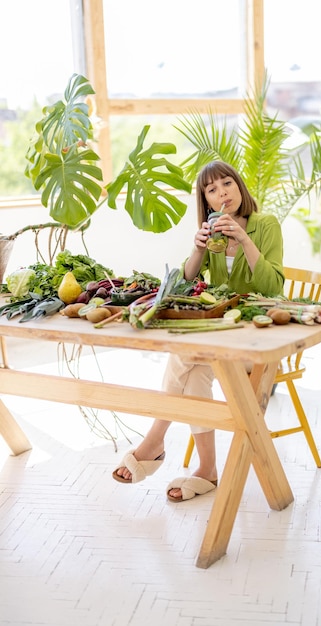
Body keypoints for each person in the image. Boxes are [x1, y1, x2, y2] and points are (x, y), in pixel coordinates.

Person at [112, 161, 285, 502]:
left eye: (227, 183)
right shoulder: (213, 231)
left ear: (239, 186)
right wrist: (199, 249)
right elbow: (186, 282)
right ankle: (207, 470)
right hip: (219, 336)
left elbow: (274, 286)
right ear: (206, 201)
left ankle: (155, 439)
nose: (222, 192)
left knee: (184, 355)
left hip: (255, 341)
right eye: (212, 189)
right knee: (192, 373)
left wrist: (244, 242)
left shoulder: (265, 224)